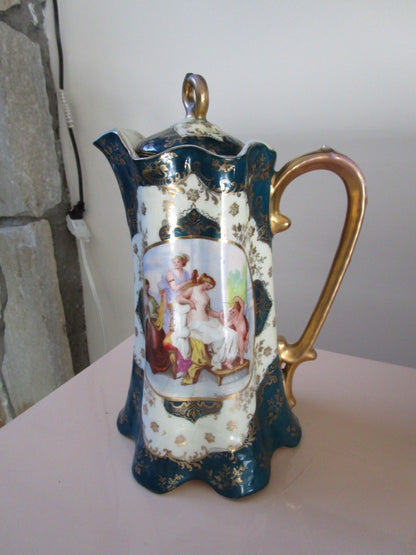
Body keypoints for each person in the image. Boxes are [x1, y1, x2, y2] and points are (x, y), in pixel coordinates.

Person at [221, 296, 249, 365]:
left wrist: (238, 298)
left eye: (233, 309)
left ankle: (246, 345)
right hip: (240, 335)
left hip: (245, 333)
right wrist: (221, 316)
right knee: (241, 349)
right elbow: (225, 324)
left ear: (237, 309)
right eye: (231, 311)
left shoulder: (240, 315)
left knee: (247, 340)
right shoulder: (233, 320)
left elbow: (242, 306)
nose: (232, 311)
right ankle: (241, 359)